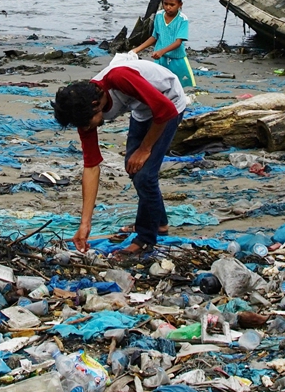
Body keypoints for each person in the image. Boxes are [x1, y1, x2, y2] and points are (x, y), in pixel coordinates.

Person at [53, 55, 189, 255]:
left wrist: (145, 149)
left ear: (95, 104)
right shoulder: (83, 112)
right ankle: (159, 224)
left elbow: (164, 110)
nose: (85, 128)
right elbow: (91, 166)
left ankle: (145, 239)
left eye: (86, 124)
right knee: (134, 168)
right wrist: (85, 224)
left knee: (145, 175)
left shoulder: (119, 78)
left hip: (169, 101)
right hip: (142, 110)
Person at [133, 0, 195, 88]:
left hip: (177, 59)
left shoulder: (183, 19)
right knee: (158, 86)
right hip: (161, 60)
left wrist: (162, 51)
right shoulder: (158, 16)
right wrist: (137, 49)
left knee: (183, 87)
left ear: (180, 4)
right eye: (165, 4)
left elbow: (178, 42)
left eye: (172, 5)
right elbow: (154, 37)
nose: (168, 7)